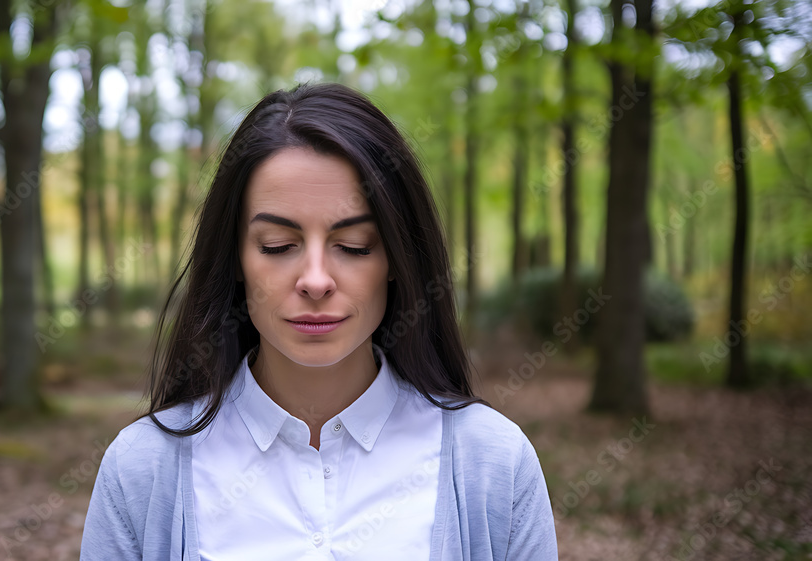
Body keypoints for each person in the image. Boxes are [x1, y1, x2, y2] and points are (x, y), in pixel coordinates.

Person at [80, 82, 558, 560]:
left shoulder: (492, 463)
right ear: (235, 259)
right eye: (277, 246)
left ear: (395, 259)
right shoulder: (143, 468)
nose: (315, 280)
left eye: (353, 247)